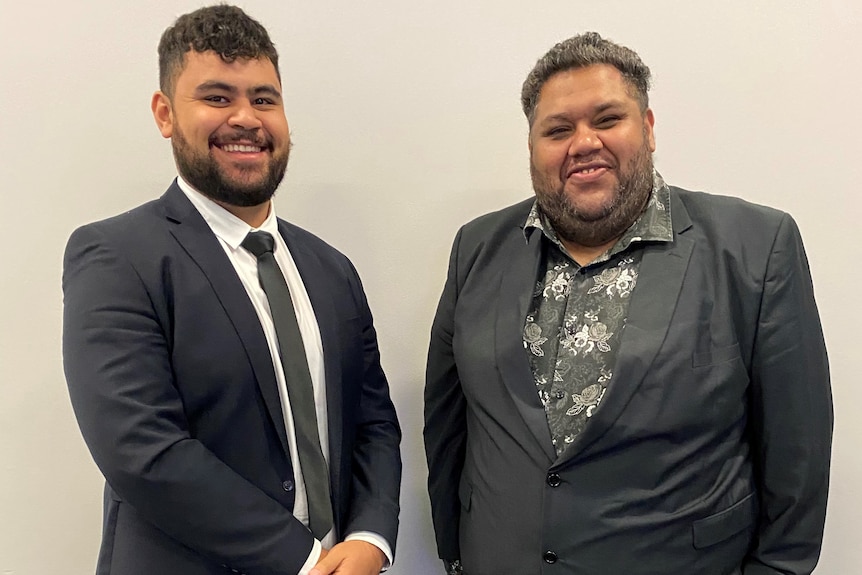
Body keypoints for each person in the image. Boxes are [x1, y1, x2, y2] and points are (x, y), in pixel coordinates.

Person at [424, 32, 832, 575]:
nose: (583, 142)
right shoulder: (476, 248)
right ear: (531, 147)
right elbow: (449, 425)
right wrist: (454, 555)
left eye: (607, 119)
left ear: (649, 128)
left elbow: (797, 456)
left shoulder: (756, 247)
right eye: (558, 129)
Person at [62, 5, 401, 575]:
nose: (246, 118)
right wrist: (303, 560)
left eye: (264, 99)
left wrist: (370, 535)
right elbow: (141, 449)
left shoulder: (331, 269)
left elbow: (373, 423)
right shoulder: (115, 257)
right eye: (217, 97)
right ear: (165, 114)